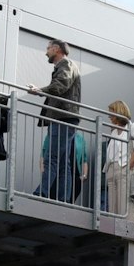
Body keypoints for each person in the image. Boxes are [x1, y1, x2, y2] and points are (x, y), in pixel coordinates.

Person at [27, 39, 82, 201]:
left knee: (52, 158)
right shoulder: (67, 65)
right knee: (63, 162)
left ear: (56, 49)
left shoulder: (66, 65)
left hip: (63, 117)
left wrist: (39, 91)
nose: (46, 52)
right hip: (65, 117)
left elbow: (60, 85)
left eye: (48, 48)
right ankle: (63, 199)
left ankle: (41, 193)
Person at [102, 100, 134, 216]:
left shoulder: (133, 127)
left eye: (111, 114)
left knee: (124, 205)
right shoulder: (114, 132)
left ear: (119, 113)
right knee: (112, 206)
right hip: (111, 169)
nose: (109, 117)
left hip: (124, 168)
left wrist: (128, 168)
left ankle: (126, 229)